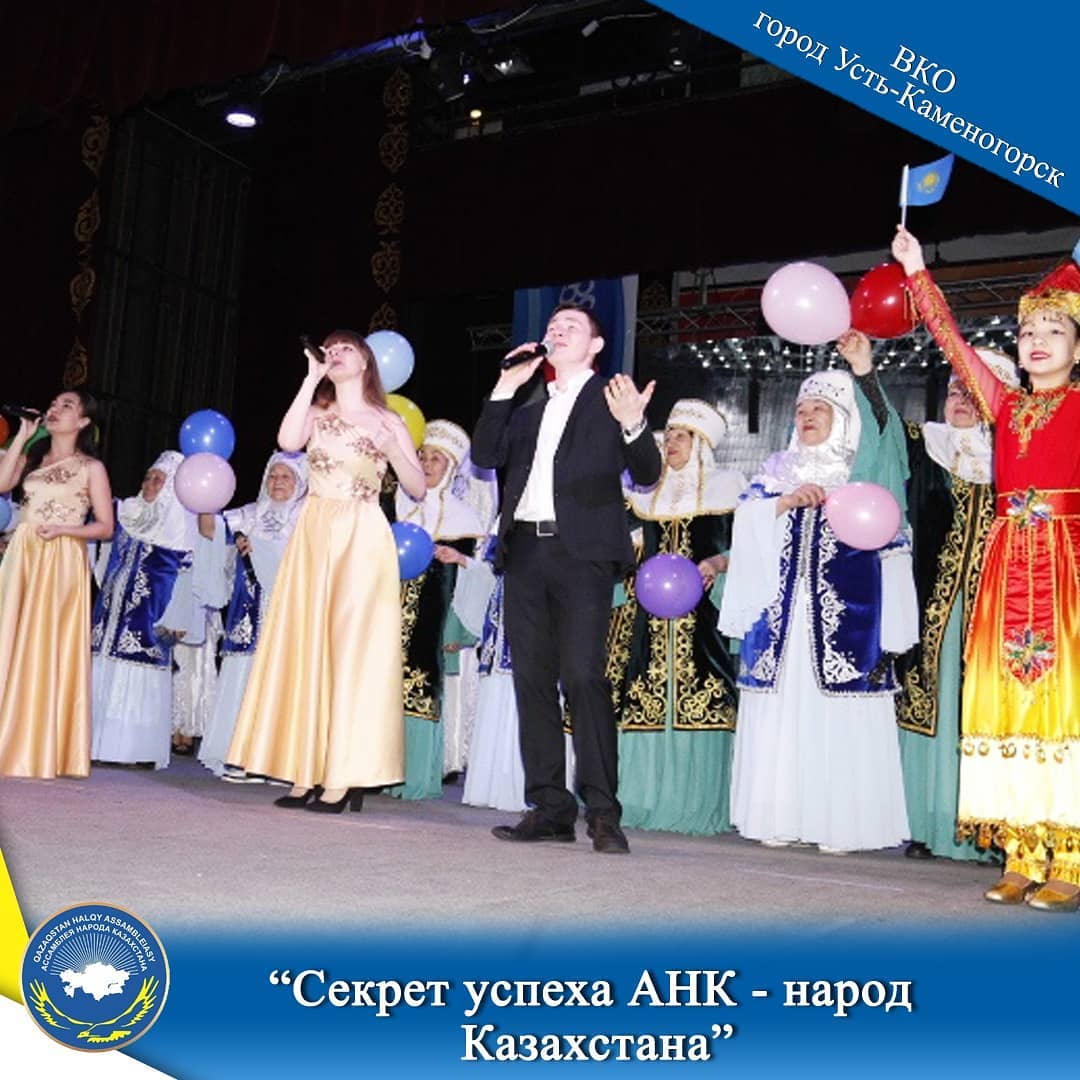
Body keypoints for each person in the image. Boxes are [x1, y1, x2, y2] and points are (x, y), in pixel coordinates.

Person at [893, 226, 1080, 910]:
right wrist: (917, 271)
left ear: (1079, 348)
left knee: (1064, 703)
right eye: (1029, 332)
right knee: (1005, 700)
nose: (1038, 341)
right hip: (1007, 568)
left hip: (1066, 565)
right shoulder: (1005, 406)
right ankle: (1022, 852)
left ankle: (1071, 857)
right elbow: (951, 342)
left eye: (1056, 332)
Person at [471, 303, 661, 854]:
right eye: (553, 326)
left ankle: (602, 811)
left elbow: (648, 473)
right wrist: (506, 386)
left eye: (571, 327)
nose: (557, 331)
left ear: (596, 346)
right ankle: (550, 808)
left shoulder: (611, 399)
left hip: (582, 555)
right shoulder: (528, 408)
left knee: (582, 675)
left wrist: (634, 423)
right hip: (525, 552)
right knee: (532, 680)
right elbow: (484, 453)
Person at [718, 368, 917, 854]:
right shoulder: (774, 474)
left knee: (838, 719)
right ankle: (780, 815)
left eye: (819, 410)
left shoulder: (862, 475)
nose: (806, 417)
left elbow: (892, 544)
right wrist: (783, 504)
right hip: (781, 626)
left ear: (843, 419)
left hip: (847, 624)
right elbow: (744, 530)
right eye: (801, 410)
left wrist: (895, 624)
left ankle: (840, 823)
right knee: (783, 718)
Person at [227, 330, 425, 813]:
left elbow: (418, 487)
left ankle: (344, 775)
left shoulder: (387, 419)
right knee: (307, 646)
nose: (334, 353)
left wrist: (393, 450)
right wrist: (310, 379)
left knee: (350, 650)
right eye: (329, 349)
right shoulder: (317, 414)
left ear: (366, 362)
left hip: (360, 532)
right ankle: (306, 769)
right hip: (314, 529)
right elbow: (286, 441)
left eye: (345, 349)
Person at [847, 331, 1008, 862]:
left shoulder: (1016, 458)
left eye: (973, 393)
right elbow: (885, 431)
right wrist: (866, 372)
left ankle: (992, 831)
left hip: (999, 611)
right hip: (930, 607)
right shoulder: (926, 445)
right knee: (928, 705)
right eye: (954, 390)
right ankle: (925, 823)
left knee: (985, 709)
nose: (960, 401)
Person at [610, 399, 745, 835]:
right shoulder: (642, 496)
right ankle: (641, 801)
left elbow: (751, 548)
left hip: (705, 620)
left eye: (681, 436)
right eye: (667, 435)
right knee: (644, 699)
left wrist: (718, 564)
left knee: (703, 699)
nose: (670, 443)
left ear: (701, 443)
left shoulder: (730, 490)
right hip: (646, 621)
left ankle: (696, 806)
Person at [0, 391, 113, 778]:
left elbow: (106, 527)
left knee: (45, 644)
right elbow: (2, 483)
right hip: (24, 554)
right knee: (9, 638)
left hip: (62, 555)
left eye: (67, 405)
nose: (55, 409)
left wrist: (65, 530)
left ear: (83, 421)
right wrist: (22, 435)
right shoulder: (33, 458)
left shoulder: (91, 468)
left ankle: (38, 745)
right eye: (53, 404)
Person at [389, 419, 487, 799]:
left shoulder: (465, 519)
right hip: (387, 617)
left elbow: (482, 575)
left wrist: (460, 560)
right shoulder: (397, 507)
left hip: (433, 624)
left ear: (450, 467)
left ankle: (413, 776)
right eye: (423, 456)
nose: (427, 464)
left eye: (436, 459)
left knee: (421, 687)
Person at [197, 451, 308, 778]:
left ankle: (276, 762)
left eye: (285, 476)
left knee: (281, 683)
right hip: (248, 614)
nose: (277, 482)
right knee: (242, 681)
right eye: (272, 475)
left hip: (288, 615)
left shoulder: (307, 518)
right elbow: (209, 529)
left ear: (300, 482)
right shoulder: (249, 514)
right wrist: (204, 496)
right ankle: (238, 755)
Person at [91, 450, 198, 769]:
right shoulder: (125, 513)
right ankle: (95, 745)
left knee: (139, 679)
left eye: (159, 480)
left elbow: (187, 578)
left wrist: (178, 617)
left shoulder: (181, 526)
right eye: (148, 477)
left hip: (151, 619)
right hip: (109, 616)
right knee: (103, 672)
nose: (150, 484)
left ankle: (134, 751)